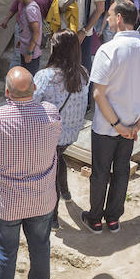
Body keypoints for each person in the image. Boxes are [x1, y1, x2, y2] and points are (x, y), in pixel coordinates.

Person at [0, 67, 61, 279]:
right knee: (40, 246)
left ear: (6, 92)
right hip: (42, 199)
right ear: (34, 89)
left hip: (7, 202)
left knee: (5, 253)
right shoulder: (50, 112)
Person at [82, 0, 140, 233]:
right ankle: (113, 218)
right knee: (122, 171)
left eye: (109, 15)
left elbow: (98, 94)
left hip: (107, 126)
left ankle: (95, 218)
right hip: (131, 125)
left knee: (100, 172)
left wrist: (116, 124)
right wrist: (138, 123)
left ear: (118, 18)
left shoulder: (108, 50)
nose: (106, 19)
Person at [34, 29, 89, 229]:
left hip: (51, 136)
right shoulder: (83, 73)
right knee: (58, 159)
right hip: (72, 133)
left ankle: (53, 218)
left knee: (50, 176)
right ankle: (66, 192)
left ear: (56, 49)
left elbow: (30, 103)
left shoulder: (45, 76)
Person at [63, 0, 106, 100]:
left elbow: (100, 8)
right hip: (67, 32)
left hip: (83, 34)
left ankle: (85, 102)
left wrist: (84, 30)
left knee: (83, 70)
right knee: (67, 68)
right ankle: (70, 100)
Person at [10, 0, 42, 75]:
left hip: (30, 55)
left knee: (29, 82)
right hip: (26, 50)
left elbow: (36, 32)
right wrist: (22, 39)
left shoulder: (30, 9)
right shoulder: (27, 7)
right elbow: (28, 28)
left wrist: (29, 52)